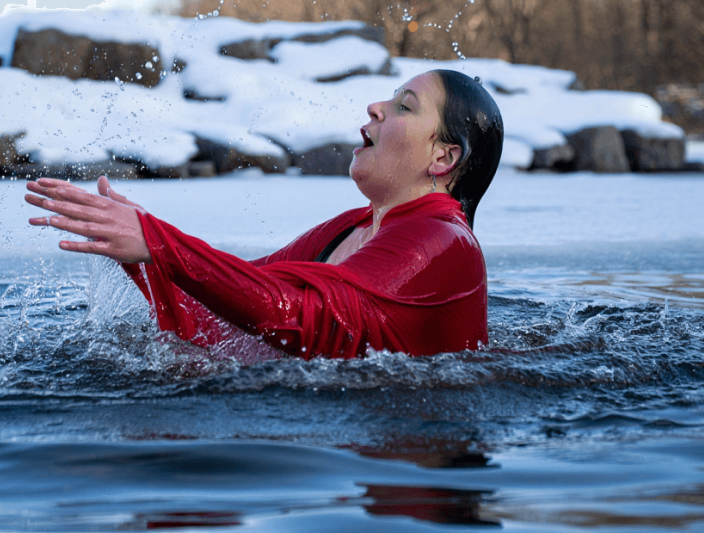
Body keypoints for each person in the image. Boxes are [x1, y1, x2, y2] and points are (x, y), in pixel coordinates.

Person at [25, 69, 503, 359]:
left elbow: (307, 321)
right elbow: (233, 312)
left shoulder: (442, 242)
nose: (375, 106)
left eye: (404, 106)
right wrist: (141, 254)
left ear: (443, 158)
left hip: (412, 461)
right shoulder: (352, 227)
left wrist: (160, 243)